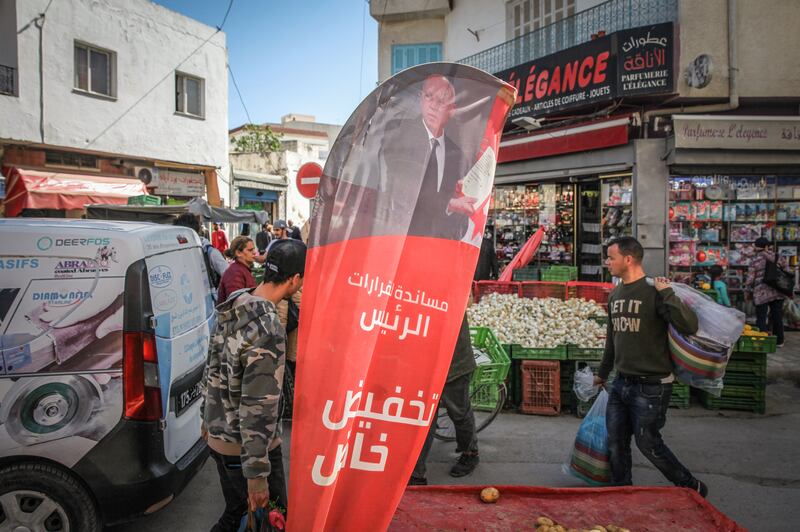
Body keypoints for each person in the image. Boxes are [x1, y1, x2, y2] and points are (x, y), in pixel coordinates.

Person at [202, 239, 307, 531]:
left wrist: (205, 417)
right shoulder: (269, 327)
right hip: (247, 449)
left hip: (219, 437)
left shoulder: (236, 301)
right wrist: (258, 476)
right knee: (272, 519)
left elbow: (213, 364)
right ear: (295, 279)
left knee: (235, 513)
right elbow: (257, 407)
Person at [594, 237, 708, 497]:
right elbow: (613, 339)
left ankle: (691, 486)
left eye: (611, 257)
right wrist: (602, 373)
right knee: (615, 442)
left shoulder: (655, 292)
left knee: (649, 443)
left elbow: (689, 325)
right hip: (621, 382)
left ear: (628, 259)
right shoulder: (616, 294)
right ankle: (621, 491)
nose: (607, 262)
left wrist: (667, 293)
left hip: (652, 386)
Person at [382, 74, 479, 240]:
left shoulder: (458, 156)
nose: (433, 106)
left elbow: (460, 214)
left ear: (452, 110)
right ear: (420, 99)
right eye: (428, 96)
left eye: (441, 101)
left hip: (440, 247)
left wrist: (460, 198)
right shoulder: (399, 137)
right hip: (401, 242)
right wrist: (449, 203)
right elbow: (404, 187)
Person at [410, 314, 479, 485]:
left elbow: (467, 299)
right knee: (423, 417)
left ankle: (470, 453)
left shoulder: (455, 288)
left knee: (459, 411)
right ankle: (416, 472)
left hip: (454, 362)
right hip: (423, 362)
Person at [745, 237, 788, 347]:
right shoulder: (778, 257)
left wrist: (747, 292)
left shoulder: (754, 261)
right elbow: (787, 271)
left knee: (761, 317)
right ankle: (779, 341)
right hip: (778, 291)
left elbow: (750, 279)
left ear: (756, 246)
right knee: (777, 316)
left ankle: (761, 340)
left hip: (761, 293)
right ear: (767, 246)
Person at [173, 214, 228, 290]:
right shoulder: (175, 251)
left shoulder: (209, 251)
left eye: (181, 235)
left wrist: (218, 294)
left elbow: (229, 275)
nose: (179, 238)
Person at [217, 236, 257, 304]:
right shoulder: (234, 272)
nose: (254, 252)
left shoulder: (243, 269)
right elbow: (236, 303)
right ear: (238, 253)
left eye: (254, 249)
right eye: (250, 250)